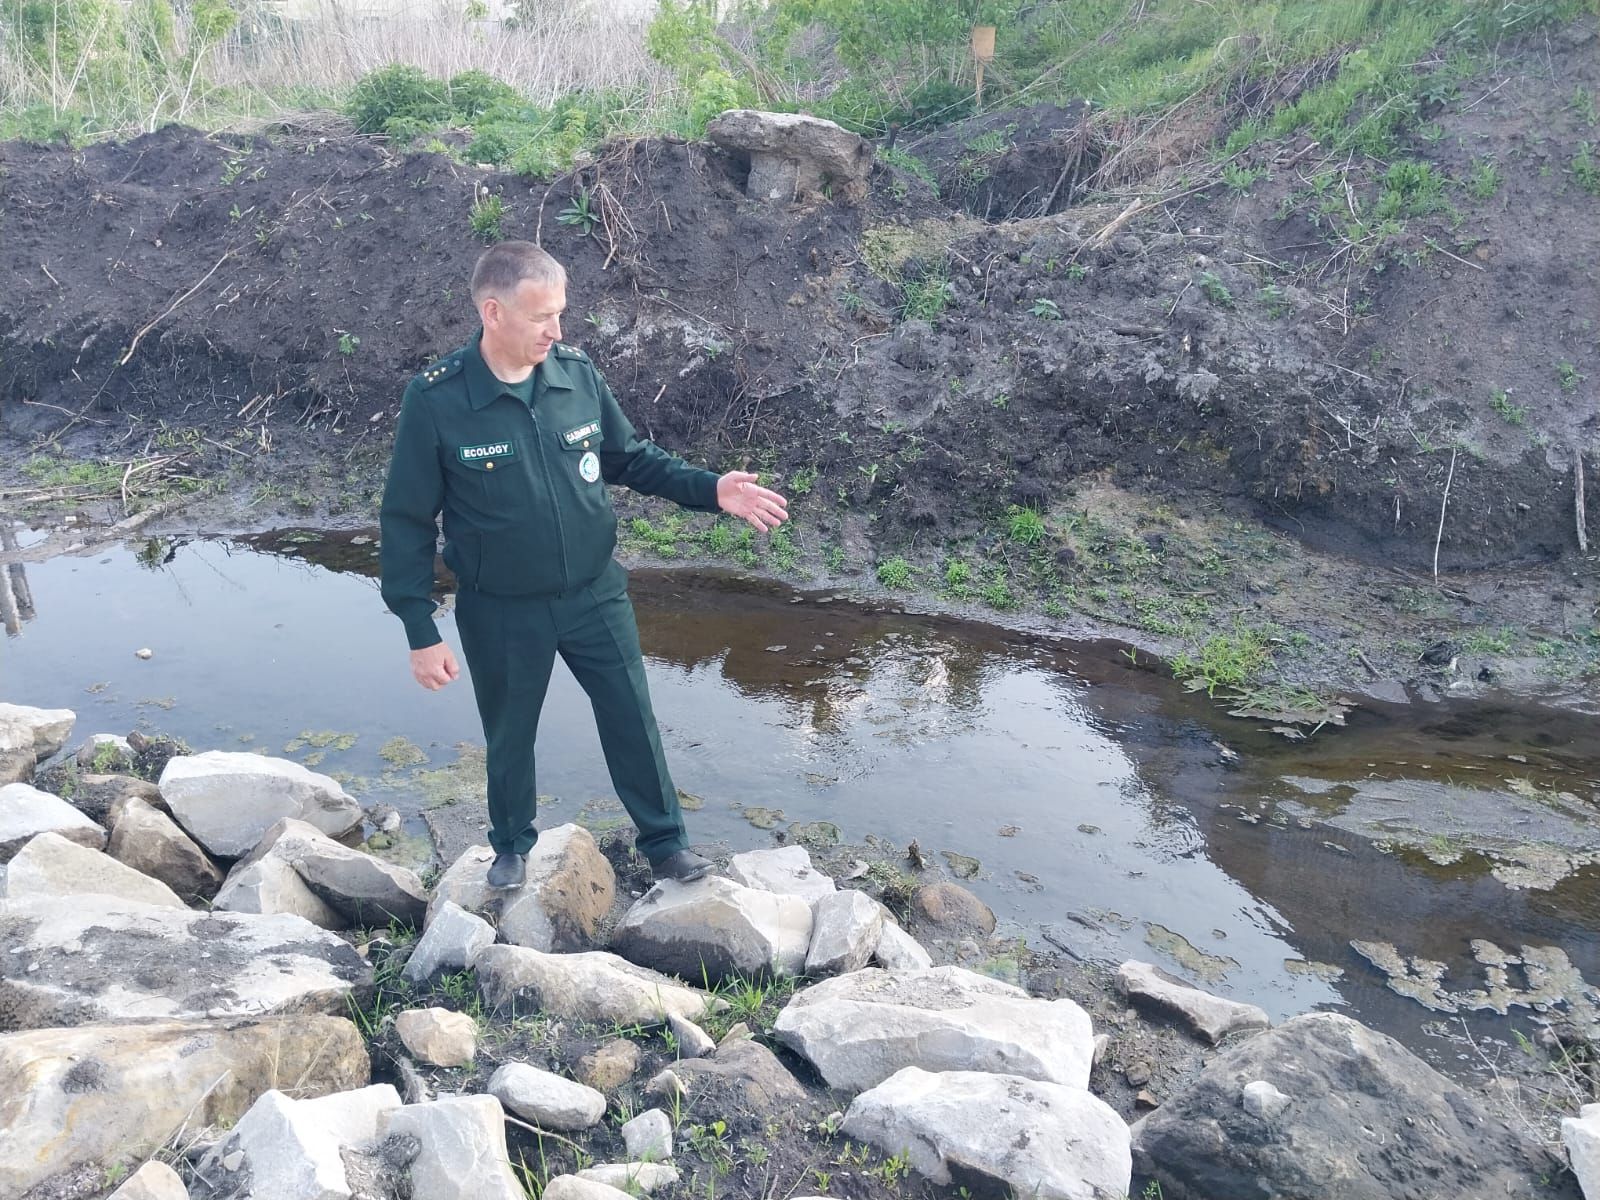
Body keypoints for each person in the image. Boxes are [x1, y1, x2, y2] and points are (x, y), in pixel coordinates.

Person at [379, 242, 788, 889]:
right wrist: (418, 628)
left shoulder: (575, 376)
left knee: (632, 717)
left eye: (561, 314)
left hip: (595, 594)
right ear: (493, 312)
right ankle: (511, 845)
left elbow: (629, 459)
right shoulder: (438, 402)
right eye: (542, 316)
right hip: (502, 607)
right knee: (510, 733)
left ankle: (666, 846)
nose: (556, 330)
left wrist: (712, 489)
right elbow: (404, 521)